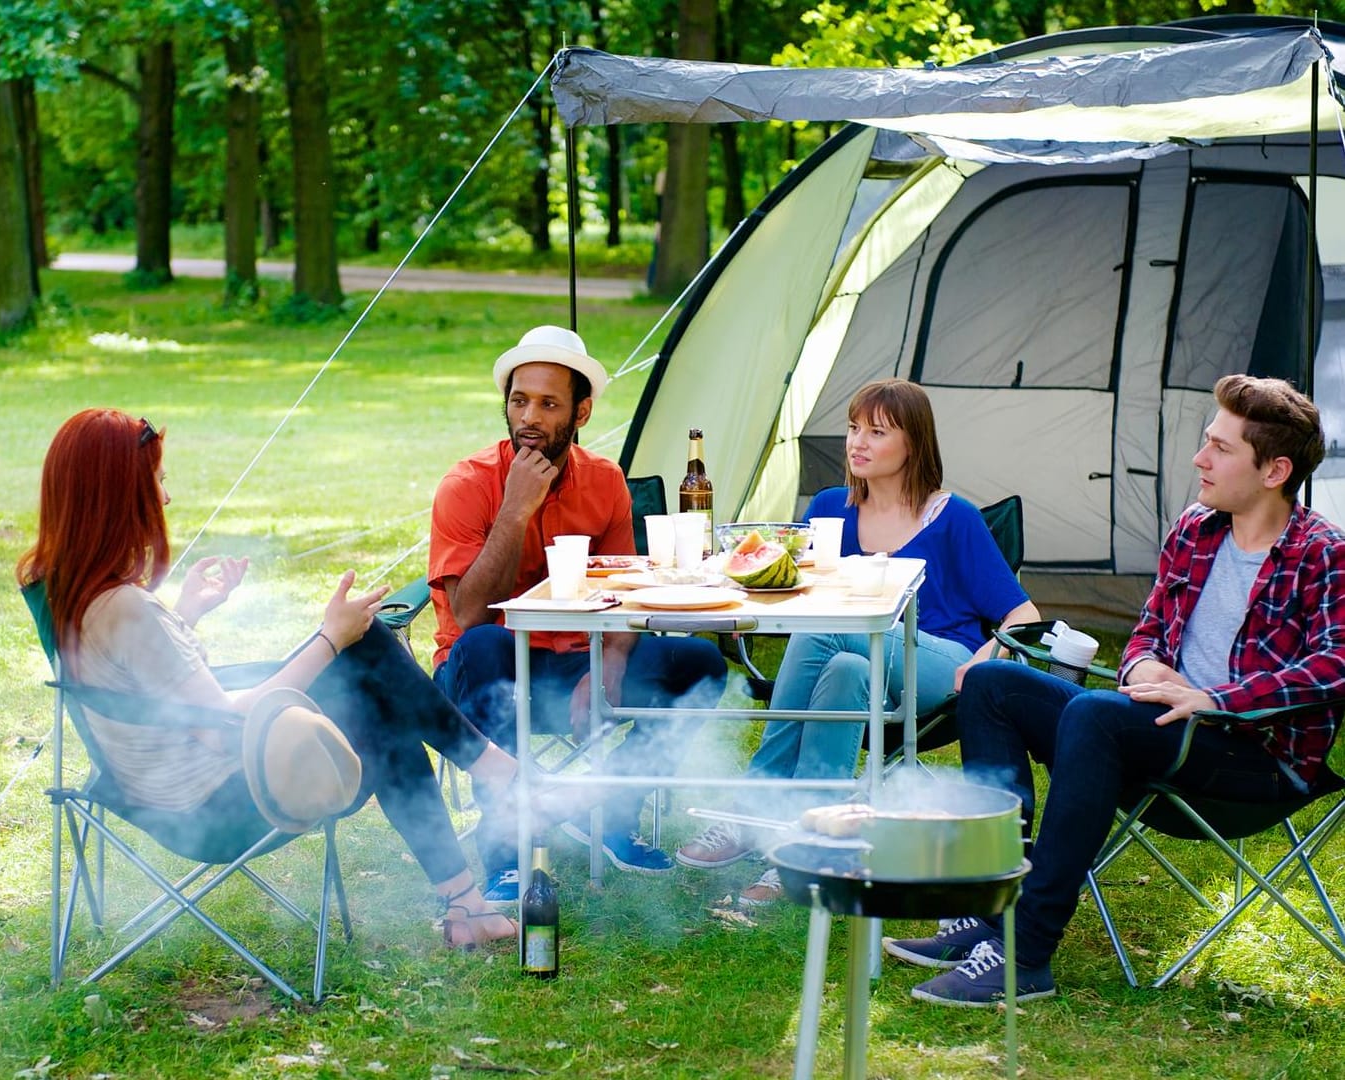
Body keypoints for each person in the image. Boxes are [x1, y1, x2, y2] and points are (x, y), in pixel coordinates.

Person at [885, 374, 1345, 1005]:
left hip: (1251, 758)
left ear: (1275, 470)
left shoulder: (1323, 554)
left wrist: (1215, 698)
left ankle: (1025, 953)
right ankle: (995, 903)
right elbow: (1147, 633)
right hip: (1152, 728)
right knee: (991, 685)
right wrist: (1144, 669)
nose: (1199, 458)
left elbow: (1338, 664)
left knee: (1096, 718)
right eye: (1205, 441)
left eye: (1221, 448)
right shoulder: (1195, 529)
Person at [16, 407, 530, 949]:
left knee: (368, 666)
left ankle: (471, 877)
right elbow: (223, 728)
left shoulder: (63, 586)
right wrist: (331, 639)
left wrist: (186, 615)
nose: (165, 498)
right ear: (119, 495)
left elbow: (137, 685)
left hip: (154, 789)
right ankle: (489, 786)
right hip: (217, 807)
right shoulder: (128, 608)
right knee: (372, 666)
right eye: (158, 482)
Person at [676, 379, 1039, 905]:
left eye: (876, 431)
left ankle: (754, 803)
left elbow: (1023, 614)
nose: (856, 442)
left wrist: (984, 665)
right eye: (852, 428)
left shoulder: (952, 517)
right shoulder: (829, 509)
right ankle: (805, 848)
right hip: (861, 659)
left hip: (937, 663)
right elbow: (791, 586)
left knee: (826, 624)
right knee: (847, 669)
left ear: (913, 443)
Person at [429, 325, 729, 902]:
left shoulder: (605, 480)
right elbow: (468, 615)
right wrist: (515, 510)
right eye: (519, 401)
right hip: (486, 671)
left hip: (575, 661)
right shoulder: (466, 485)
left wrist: (609, 662)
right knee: (483, 645)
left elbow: (625, 590)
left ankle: (609, 812)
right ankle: (507, 846)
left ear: (581, 413)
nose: (529, 418)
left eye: (548, 404)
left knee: (699, 664)